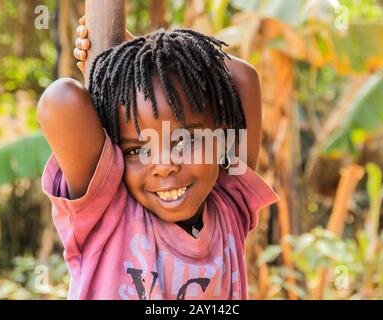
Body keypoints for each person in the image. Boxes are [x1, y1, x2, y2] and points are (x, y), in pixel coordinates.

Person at [37, 15, 279, 300]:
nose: (164, 166)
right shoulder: (108, 213)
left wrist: (152, 57)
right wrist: (124, 62)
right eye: (137, 150)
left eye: (184, 140)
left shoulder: (229, 204)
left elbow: (243, 79)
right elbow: (60, 100)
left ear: (221, 137)